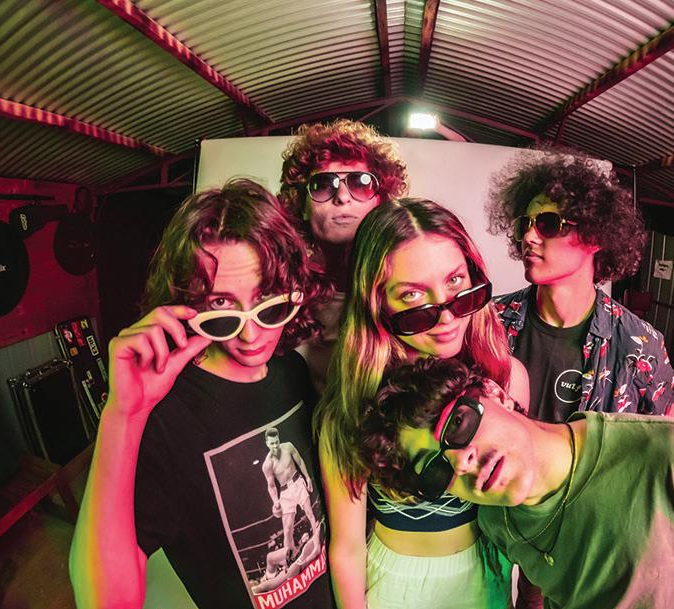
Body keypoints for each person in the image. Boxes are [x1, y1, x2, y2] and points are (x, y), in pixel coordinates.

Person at [69, 179, 334, 609]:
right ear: (186, 303)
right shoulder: (164, 418)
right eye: (221, 307)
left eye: (268, 302)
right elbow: (104, 601)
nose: (250, 335)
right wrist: (122, 415)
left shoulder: (292, 371)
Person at [361, 357, 674, 609]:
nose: (461, 460)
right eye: (436, 468)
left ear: (494, 392)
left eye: (457, 424)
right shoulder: (494, 520)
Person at [314, 198, 530, 609]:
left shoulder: (507, 378)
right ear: (377, 302)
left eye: (455, 281)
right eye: (413, 295)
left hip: (487, 575)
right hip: (395, 585)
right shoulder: (351, 406)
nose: (446, 317)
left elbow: (517, 507)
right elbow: (346, 548)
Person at [487, 150, 674, 422]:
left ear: (595, 236)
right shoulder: (490, 320)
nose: (529, 237)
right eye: (526, 224)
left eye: (548, 223)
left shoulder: (637, 342)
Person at [278, 119, 409, 392]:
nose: (342, 196)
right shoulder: (279, 295)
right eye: (323, 185)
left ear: (381, 200)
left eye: (361, 183)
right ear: (301, 205)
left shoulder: (408, 287)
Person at [262, 427, 319, 558]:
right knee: (287, 529)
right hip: (285, 492)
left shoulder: (288, 447)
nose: (275, 446)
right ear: (267, 443)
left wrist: (307, 477)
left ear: (279, 439)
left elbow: (299, 461)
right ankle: (291, 556)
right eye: (272, 443)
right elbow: (271, 486)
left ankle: (317, 542)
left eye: (276, 442)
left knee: (309, 512)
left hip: (297, 482)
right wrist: (275, 501)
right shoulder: (267, 464)